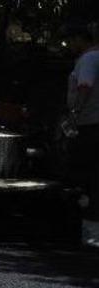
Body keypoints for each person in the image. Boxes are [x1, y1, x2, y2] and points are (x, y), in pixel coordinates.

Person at [64, 24, 99, 248]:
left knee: (88, 177)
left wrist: (74, 114)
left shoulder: (88, 59)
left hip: (90, 125)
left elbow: (84, 86)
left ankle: (90, 233)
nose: (69, 45)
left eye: (71, 40)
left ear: (80, 38)